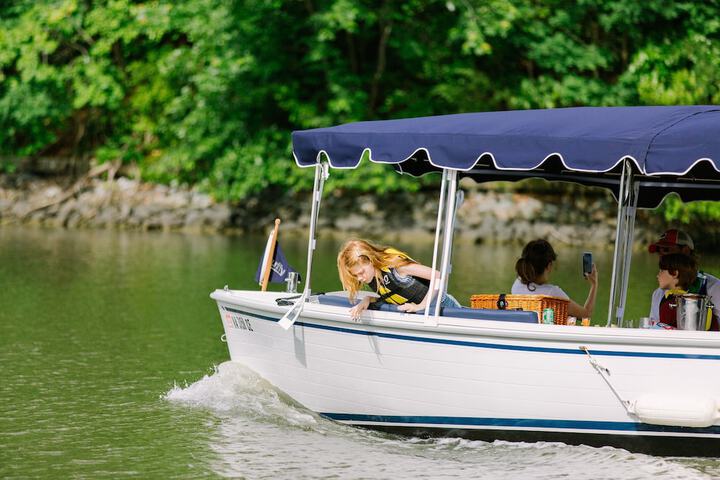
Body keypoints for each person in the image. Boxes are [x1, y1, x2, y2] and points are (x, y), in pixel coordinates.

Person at [337, 239, 460, 321]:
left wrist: (421, 306)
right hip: (423, 316)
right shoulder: (374, 278)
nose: (360, 278)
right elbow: (390, 298)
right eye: (356, 275)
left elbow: (439, 276)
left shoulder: (398, 268)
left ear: (370, 260)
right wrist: (367, 299)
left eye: (361, 272)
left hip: (446, 310)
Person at [648, 229, 720, 330]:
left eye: (666, 250)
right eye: (658, 252)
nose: (661, 256)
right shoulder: (658, 294)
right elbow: (653, 328)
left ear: (685, 251)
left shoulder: (715, 287)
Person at [511, 239, 598, 319]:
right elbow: (585, 315)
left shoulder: (517, 285)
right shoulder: (553, 294)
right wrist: (594, 284)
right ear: (549, 266)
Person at [654, 253, 706, 328]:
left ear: (675, 273)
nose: (657, 275)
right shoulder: (696, 301)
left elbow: (665, 331)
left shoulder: (671, 303)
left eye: (661, 270)